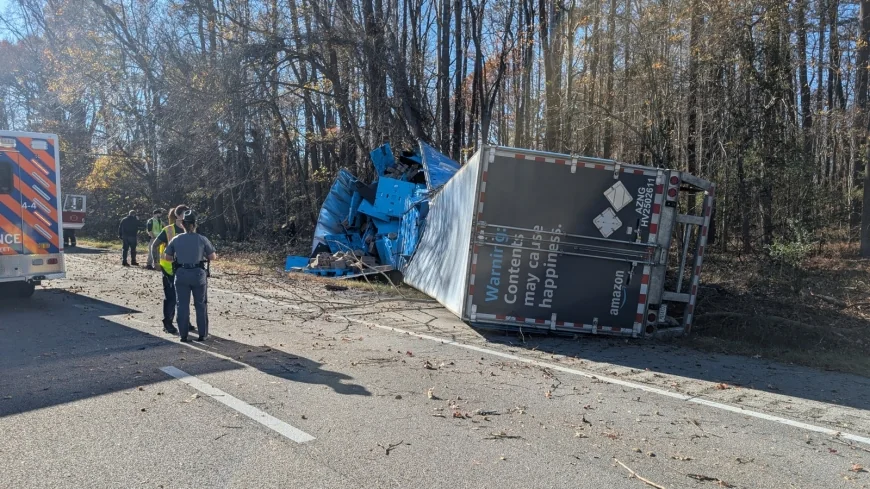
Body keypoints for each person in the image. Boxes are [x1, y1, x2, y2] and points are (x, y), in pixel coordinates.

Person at [163, 210, 216, 342]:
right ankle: (202, 334)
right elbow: (212, 257)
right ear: (195, 224)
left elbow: (167, 257)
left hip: (181, 274)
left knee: (182, 305)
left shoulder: (176, 239)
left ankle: (183, 335)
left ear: (183, 225)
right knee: (200, 304)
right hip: (198, 274)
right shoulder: (202, 239)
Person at [153, 205, 188, 335]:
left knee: (184, 297)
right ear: (178, 215)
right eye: (185, 213)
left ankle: (184, 321)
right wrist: (156, 261)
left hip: (185, 268)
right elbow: (155, 246)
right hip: (169, 269)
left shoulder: (190, 229)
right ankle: (167, 322)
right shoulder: (168, 230)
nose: (187, 215)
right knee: (171, 297)